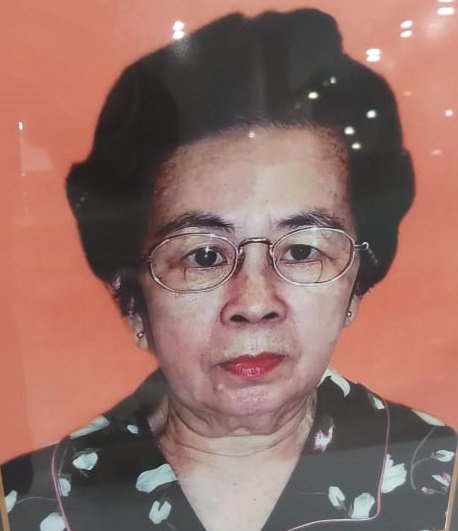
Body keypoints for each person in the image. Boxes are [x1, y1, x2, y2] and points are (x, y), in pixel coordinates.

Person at [1, 8, 456, 531]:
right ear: (133, 298)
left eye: (302, 251)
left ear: (355, 282)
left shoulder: (436, 477)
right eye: (203, 256)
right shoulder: (29, 503)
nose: (255, 303)